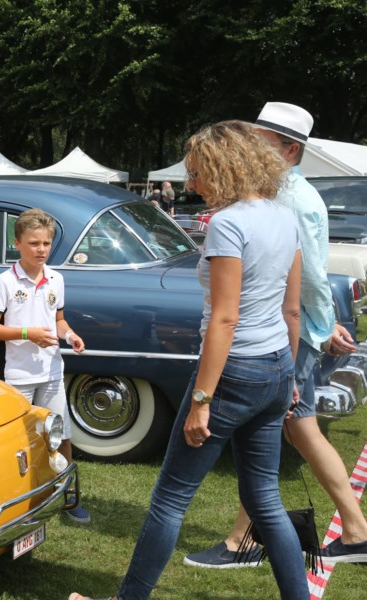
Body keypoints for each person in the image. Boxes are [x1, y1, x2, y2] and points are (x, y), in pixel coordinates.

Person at [70, 120, 308, 600]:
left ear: (226, 168)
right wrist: (289, 378)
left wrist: (201, 399)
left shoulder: (229, 223)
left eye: (198, 173)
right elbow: (292, 309)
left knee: (168, 500)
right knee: (264, 500)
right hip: (276, 365)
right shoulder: (285, 217)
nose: (192, 184)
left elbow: (223, 319)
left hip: (235, 372)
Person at [184, 102, 367, 569]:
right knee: (289, 428)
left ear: (289, 149)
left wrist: (322, 329)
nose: (249, 149)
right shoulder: (293, 194)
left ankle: (249, 539)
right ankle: (350, 530)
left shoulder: (289, 199)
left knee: (285, 426)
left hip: (287, 335)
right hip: (291, 330)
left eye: (261, 141)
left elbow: (304, 277)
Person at [0, 208, 90, 523]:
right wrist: (28, 334)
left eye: (45, 243)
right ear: (17, 243)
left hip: (52, 371)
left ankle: (67, 497)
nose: (40, 250)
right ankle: (17, 504)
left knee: (61, 435)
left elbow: (58, 320)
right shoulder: (3, 281)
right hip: (16, 376)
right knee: (18, 444)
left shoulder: (57, 278)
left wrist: (70, 335)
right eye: (33, 243)